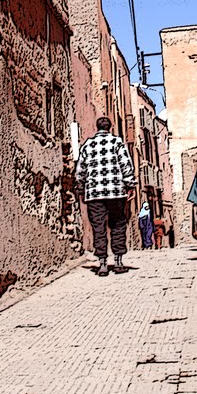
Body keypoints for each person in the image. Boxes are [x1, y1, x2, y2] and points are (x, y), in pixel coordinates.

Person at [75, 116, 136, 276]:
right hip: (115, 192)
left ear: (97, 127)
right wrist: (130, 184)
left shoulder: (87, 145)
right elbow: (125, 164)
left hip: (94, 193)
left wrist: (81, 188)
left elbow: (80, 169)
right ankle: (118, 261)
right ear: (110, 127)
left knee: (98, 227)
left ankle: (102, 263)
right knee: (118, 225)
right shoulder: (117, 142)